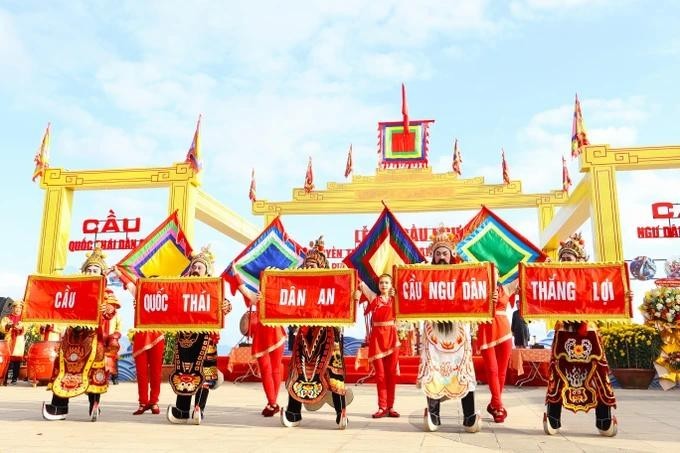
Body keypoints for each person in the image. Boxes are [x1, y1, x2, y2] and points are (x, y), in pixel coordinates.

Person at [543, 233, 624, 437]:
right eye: (562, 258)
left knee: (597, 374)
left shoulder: (593, 279)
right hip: (564, 331)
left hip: (589, 332)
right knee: (559, 373)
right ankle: (553, 418)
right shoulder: (555, 283)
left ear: (579, 260)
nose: (564, 262)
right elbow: (540, 297)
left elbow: (609, 293)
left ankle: (604, 420)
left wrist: (624, 295)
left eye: (568, 259)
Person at [42, 247, 119, 421]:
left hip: (93, 338)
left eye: (95, 270)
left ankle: (94, 405)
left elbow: (111, 311)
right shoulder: (73, 289)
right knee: (63, 369)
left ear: (102, 274)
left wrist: (106, 309)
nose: (91, 272)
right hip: (71, 338)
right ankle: (59, 407)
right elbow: (60, 305)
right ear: (83, 271)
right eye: (88, 270)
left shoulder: (106, 293)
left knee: (92, 370)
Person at [280, 237, 349, 429]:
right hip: (303, 334)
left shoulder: (332, 285)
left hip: (328, 334)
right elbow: (284, 303)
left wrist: (354, 295)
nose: (310, 267)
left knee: (334, 373)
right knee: (297, 371)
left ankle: (340, 413)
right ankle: (293, 413)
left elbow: (344, 302)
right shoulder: (296, 287)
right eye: (307, 264)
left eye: (314, 264)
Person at [419, 228, 480, 433]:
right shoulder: (424, 275)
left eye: (445, 253)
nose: (442, 256)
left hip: (458, 333)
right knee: (433, 372)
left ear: (451, 255)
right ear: (433, 256)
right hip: (433, 332)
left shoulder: (463, 275)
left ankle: (469, 416)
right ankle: (434, 415)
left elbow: (475, 294)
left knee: (464, 372)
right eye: (438, 253)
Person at [166, 246, 232, 425]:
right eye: (194, 267)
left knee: (205, 373)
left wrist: (225, 307)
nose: (195, 270)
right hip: (184, 338)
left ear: (207, 271)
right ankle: (182, 410)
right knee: (183, 372)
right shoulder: (182, 287)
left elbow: (225, 304)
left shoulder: (213, 287)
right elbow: (168, 304)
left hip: (205, 338)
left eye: (199, 267)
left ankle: (199, 409)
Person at [113, 270, 165, 415]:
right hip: (141, 337)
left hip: (158, 336)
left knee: (156, 372)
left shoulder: (166, 298)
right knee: (141, 373)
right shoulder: (140, 294)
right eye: (151, 283)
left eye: (157, 283)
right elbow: (128, 283)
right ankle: (143, 403)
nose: (154, 286)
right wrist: (118, 271)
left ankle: (154, 402)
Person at [236, 284, 286, 417]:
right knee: (267, 370)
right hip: (267, 333)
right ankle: (272, 403)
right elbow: (242, 288)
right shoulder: (258, 295)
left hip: (274, 332)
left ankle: (272, 403)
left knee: (272, 369)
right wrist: (235, 273)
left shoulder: (279, 294)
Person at [357, 274, 400, 418]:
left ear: (391, 285)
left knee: (391, 375)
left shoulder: (396, 299)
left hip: (392, 340)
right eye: (381, 282)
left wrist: (397, 294)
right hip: (377, 341)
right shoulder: (374, 298)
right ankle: (382, 407)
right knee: (380, 375)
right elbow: (360, 282)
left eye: (387, 283)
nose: (384, 285)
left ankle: (391, 407)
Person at [477, 273, 512, 423]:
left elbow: (526, 274)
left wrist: (542, 262)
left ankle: (495, 404)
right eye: (489, 270)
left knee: (502, 371)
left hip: (504, 330)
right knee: (492, 370)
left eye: (496, 271)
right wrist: (484, 301)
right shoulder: (477, 288)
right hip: (486, 329)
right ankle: (498, 405)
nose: (493, 273)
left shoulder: (507, 287)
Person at [1, 300, 26, 385]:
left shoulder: (23, 319)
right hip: (9, 339)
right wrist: (9, 325)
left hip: (18, 340)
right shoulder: (7, 318)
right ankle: (5, 378)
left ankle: (14, 378)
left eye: (20, 308)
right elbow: (2, 328)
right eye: (16, 307)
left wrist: (21, 327)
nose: (18, 309)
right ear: (13, 308)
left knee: (17, 359)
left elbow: (26, 329)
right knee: (8, 359)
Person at [103, 300, 122, 385]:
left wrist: (115, 335)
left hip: (112, 339)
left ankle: (115, 377)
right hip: (102, 338)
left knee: (113, 358)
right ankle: (103, 377)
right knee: (101, 357)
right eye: (108, 305)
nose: (110, 307)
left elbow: (119, 328)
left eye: (112, 305)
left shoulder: (117, 316)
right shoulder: (102, 315)